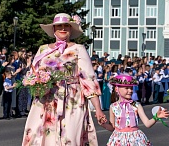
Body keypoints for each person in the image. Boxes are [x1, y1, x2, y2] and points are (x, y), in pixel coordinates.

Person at [22, 13, 106, 146]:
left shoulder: (78, 49)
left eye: (66, 26)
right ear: (54, 29)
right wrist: (35, 83)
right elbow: (34, 72)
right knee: (41, 137)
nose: (63, 28)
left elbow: (89, 80)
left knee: (71, 138)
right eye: (59, 26)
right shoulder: (43, 49)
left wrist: (98, 108)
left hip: (72, 99)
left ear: (71, 29)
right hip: (46, 99)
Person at [102, 74, 169, 145]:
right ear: (117, 89)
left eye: (131, 88)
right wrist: (103, 124)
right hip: (119, 139)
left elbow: (147, 124)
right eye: (126, 88)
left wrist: (156, 117)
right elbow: (112, 128)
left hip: (135, 139)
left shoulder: (136, 105)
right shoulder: (113, 106)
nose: (130, 91)